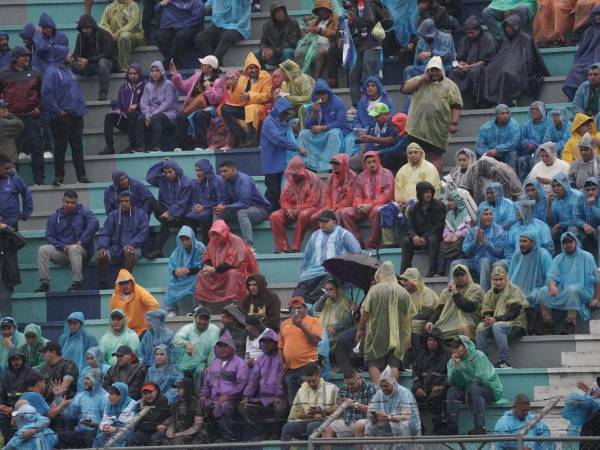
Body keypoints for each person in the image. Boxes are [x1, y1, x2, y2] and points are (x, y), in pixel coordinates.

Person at [402, 56, 463, 172]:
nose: (434, 73)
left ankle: (434, 184)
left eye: (437, 70)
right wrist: (420, 80)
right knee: (414, 155)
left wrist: (454, 122)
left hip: (438, 129)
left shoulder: (450, 85)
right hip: (416, 128)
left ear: (442, 70)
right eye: (432, 70)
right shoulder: (418, 81)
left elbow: (456, 105)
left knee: (435, 156)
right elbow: (405, 89)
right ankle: (415, 183)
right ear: (427, 70)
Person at [41, 46, 90, 186]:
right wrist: (58, 111)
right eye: (69, 54)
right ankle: (59, 176)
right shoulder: (52, 72)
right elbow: (46, 93)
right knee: (60, 147)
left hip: (76, 115)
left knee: (77, 147)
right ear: (61, 55)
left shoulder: (68, 70)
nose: (71, 56)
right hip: (61, 117)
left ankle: (81, 175)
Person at [356, 261, 411, 383]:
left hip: (377, 333)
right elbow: (408, 317)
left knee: (373, 363)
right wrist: (408, 337)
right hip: (398, 335)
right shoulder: (404, 292)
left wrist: (360, 329)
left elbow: (365, 312)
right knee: (394, 364)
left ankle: (380, 393)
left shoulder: (375, 290)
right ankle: (393, 392)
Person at [35, 191, 99, 292]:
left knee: (74, 248)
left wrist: (81, 241)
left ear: (76, 202)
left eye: (72, 203)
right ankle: (44, 283)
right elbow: (49, 236)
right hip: (63, 251)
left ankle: (77, 283)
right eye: (67, 202)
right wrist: (61, 246)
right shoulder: (54, 217)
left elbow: (94, 223)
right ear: (63, 201)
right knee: (42, 249)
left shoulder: (84, 212)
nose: (69, 205)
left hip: (82, 251)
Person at [537, 232, 600, 334]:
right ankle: (548, 323)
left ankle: (570, 322)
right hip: (563, 290)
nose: (568, 245)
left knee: (572, 289)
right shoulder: (558, 258)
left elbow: (597, 280)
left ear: (576, 242)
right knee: (542, 291)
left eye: (570, 241)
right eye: (565, 242)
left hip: (583, 291)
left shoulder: (587, 256)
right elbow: (551, 276)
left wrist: (597, 299)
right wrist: (552, 286)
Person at [294, 210, 361, 304]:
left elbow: (356, 252)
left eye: (326, 221)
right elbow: (307, 256)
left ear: (334, 221)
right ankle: (294, 304)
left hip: (334, 270)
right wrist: (303, 273)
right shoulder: (315, 235)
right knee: (303, 283)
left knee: (328, 281)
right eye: (321, 221)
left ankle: (308, 303)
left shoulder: (344, 234)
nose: (322, 224)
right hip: (314, 271)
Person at [482, 15, 550, 107]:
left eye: (509, 26)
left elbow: (530, 60)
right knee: (489, 70)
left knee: (507, 73)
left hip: (522, 70)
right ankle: (493, 102)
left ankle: (508, 101)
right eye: (506, 26)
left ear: (516, 26)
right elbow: (500, 59)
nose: (507, 29)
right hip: (509, 67)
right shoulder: (507, 41)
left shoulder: (526, 39)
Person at [0, 47, 45, 184]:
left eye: (28, 56)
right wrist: (1, 107)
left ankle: (39, 180)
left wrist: (39, 107)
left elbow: (43, 93)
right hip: (12, 120)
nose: (27, 58)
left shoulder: (35, 72)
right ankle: (13, 181)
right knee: (12, 153)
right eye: (23, 56)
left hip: (32, 117)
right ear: (15, 58)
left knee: (37, 149)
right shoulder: (3, 74)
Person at [445, 335, 504, 435]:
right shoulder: (452, 362)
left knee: (475, 388)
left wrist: (468, 391)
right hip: (470, 391)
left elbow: (481, 378)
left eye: (457, 347)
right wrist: (457, 367)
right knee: (452, 391)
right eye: (453, 347)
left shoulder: (478, 356)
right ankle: (452, 428)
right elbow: (454, 382)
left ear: (465, 346)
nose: (454, 349)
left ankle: (480, 427)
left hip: (488, 389)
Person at [195, 220, 258, 310]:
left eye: (218, 234)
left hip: (239, 270)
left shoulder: (235, 240)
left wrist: (215, 269)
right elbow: (207, 258)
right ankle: (201, 305)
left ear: (224, 232)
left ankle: (232, 302)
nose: (215, 237)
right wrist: (208, 268)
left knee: (232, 274)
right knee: (202, 274)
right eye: (213, 234)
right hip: (218, 270)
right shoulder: (212, 242)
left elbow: (235, 263)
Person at [200, 331, 249, 441]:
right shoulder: (214, 362)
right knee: (200, 404)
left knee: (224, 406)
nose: (222, 349)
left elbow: (242, 382)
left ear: (231, 347)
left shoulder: (239, 362)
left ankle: (228, 438)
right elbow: (207, 382)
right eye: (220, 346)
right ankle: (210, 438)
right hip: (213, 398)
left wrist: (229, 396)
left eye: (225, 346)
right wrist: (203, 394)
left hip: (231, 399)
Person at [475, 266, 528, 368]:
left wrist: (495, 319)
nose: (498, 282)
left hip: (516, 325)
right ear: (492, 280)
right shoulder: (490, 293)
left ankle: (505, 361)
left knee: (497, 326)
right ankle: (482, 361)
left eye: (501, 279)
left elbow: (514, 313)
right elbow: (487, 309)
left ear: (506, 279)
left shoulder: (514, 290)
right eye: (495, 280)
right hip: (499, 323)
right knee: (481, 328)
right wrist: (488, 318)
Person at [340, 152, 394, 249]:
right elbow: (357, 195)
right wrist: (359, 206)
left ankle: (372, 245)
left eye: (374, 161)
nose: (372, 164)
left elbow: (387, 194)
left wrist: (370, 205)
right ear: (365, 164)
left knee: (376, 210)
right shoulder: (360, 176)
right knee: (345, 213)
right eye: (368, 162)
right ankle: (357, 243)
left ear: (378, 161)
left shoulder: (387, 173)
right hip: (364, 206)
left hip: (382, 204)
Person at [260, 98, 306, 211]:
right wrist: (297, 147)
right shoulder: (269, 122)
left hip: (281, 163)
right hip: (271, 164)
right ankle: (268, 215)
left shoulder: (282, 122)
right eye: (285, 112)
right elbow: (279, 140)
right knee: (273, 192)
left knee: (281, 192)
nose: (286, 115)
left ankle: (276, 213)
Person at [269, 157, 324, 253]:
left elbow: (313, 200)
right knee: (274, 216)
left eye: (295, 173)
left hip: (312, 207)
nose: (293, 176)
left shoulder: (314, 178)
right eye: (291, 173)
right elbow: (284, 199)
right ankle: (283, 248)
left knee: (303, 214)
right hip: (293, 209)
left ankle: (295, 246)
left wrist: (298, 210)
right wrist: (288, 209)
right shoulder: (291, 180)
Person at [239, 329, 286, 439]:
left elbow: (281, 378)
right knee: (244, 407)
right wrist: (246, 396)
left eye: (269, 342)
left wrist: (280, 396)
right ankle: (263, 433)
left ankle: (277, 435)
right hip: (262, 398)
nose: (266, 345)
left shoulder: (282, 358)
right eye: (264, 342)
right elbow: (253, 380)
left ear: (275, 343)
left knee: (280, 408)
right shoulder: (260, 360)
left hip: (278, 397)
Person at [171, 56, 226, 150]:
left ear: (211, 67)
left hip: (210, 109)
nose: (201, 66)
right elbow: (183, 87)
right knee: (180, 117)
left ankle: (201, 145)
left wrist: (209, 89)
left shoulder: (218, 81)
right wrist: (176, 76)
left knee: (200, 116)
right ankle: (181, 146)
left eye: (204, 64)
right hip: (193, 106)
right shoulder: (196, 77)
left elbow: (216, 99)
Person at [96, 192, 149, 288]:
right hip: (115, 248)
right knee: (101, 255)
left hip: (134, 247)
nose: (124, 203)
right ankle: (103, 280)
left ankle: (125, 281)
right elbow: (106, 232)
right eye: (121, 201)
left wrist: (132, 244)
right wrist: (103, 247)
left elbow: (143, 233)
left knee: (129, 252)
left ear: (132, 202)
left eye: (126, 201)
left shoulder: (142, 215)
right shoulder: (113, 215)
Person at [215, 160, 272, 249]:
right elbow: (224, 200)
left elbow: (245, 203)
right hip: (240, 209)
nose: (222, 174)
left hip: (260, 209)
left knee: (241, 212)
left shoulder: (243, 179)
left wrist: (226, 207)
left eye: (225, 171)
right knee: (218, 213)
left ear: (233, 170)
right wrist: (221, 206)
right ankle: (217, 245)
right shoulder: (224, 181)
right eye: (221, 172)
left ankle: (249, 246)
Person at [298, 79, 350, 172]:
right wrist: (313, 113)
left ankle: (330, 166)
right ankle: (308, 166)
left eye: (323, 93)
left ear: (328, 93)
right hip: (320, 134)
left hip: (333, 133)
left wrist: (323, 128)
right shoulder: (313, 105)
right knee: (303, 134)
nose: (321, 96)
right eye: (319, 93)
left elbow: (341, 122)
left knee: (334, 133)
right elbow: (307, 126)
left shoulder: (337, 102)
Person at [221, 53, 272, 148]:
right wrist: (233, 88)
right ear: (246, 70)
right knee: (225, 109)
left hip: (260, 107)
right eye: (250, 68)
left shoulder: (265, 77)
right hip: (245, 107)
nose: (253, 70)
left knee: (251, 108)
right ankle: (239, 135)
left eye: (255, 67)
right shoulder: (242, 79)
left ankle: (252, 140)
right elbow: (236, 100)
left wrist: (250, 96)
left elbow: (267, 96)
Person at [146, 158, 192, 259]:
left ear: (176, 170)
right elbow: (149, 178)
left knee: (165, 222)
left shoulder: (186, 182)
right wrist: (161, 163)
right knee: (149, 200)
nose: (167, 175)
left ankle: (157, 250)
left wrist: (170, 212)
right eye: (165, 172)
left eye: (170, 172)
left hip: (180, 215)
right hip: (164, 213)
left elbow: (183, 204)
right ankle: (144, 226)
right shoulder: (163, 179)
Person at [279, 297, 323, 403]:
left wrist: (301, 325)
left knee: (310, 399)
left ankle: (311, 419)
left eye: (300, 308)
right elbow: (280, 346)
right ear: (290, 311)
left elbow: (315, 341)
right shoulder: (284, 323)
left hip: (308, 366)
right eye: (293, 309)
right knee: (294, 401)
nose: (297, 310)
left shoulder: (314, 321)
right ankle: (295, 419)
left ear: (305, 308)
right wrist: (283, 363)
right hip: (290, 369)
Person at [426, 264, 485, 341]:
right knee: (431, 331)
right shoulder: (447, 291)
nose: (459, 278)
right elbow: (439, 309)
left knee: (462, 328)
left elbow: (468, 307)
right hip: (448, 323)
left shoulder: (476, 289)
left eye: (462, 275)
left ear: (467, 275)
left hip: (470, 323)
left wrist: (455, 292)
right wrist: (431, 321)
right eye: (456, 275)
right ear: (453, 277)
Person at [509, 232, 553, 334]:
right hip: (519, 288)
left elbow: (551, 275)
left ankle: (534, 328)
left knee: (532, 296)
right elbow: (510, 275)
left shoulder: (543, 254)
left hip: (539, 287)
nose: (521, 244)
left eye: (524, 241)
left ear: (533, 242)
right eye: (520, 241)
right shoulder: (517, 254)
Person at [453, 207, 506, 292]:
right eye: (486, 214)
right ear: (479, 216)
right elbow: (466, 252)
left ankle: (483, 294)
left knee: (484, 261)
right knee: (455, 263)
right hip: (474, 261)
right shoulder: (472, 231)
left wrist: (484, 242)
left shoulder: (498, 230)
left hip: (492, 261)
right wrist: (476, 241)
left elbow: (499, 252)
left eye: (490, 214)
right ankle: (451, 292)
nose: (489, 216)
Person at [281, 363, 338, 441]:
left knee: (312, 426)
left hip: (326, 422)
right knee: (288, 427)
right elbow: (295, 414)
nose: (311, 384)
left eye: (313, 381)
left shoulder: (332, 388)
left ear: (319, 375)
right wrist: (306, 414)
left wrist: (322, 412)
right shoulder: (301, 390)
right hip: (306, 421)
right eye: (308, 381)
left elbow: (338, 410)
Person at [448, 16, 496, 107]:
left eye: (472, 33)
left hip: (483, 66)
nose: (470, 35)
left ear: (478, 30)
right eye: (467, 33)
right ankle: (454, 102)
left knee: (474, 72)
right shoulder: (465, 40)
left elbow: (486, 60)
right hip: (467, 66)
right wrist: (461, 63)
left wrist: (469, 66)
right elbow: (461, 56)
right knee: (454, 72)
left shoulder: (487, 39)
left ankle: (474, 102)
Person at [401, 181, 446, 277]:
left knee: (432, 239)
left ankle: (432, 271)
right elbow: (410, 226)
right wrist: (414, 236)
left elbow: (439, 225)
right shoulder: (414, 208)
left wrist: (425, 237)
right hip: (418, 238)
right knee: (406, 241)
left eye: (430, 192)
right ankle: (405, 273)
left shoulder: (439, 205)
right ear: (420, 194)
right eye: (426, 192)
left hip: (433, 236)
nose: (428, 194)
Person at [365, 365, 421, 442]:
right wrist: (374, 416)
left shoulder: (403, 393)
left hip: (405, 423)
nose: (384, 388)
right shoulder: (379, 393)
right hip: (386, 421)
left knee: (401, 426)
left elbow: (406, 416)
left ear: (393, 383)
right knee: (369, 426)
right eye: (381, 386)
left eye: (386, 386)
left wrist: (388, 417)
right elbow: (371, 410)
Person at [320, 368, 377, 443]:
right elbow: (337, 408)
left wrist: (354, 404)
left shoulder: (370, 387)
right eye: (347, 384)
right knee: (325, 429)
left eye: (352, 384)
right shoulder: (343, 388)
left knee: (359, 426)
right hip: (347, 422)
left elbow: (373, 410)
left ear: (359, 378)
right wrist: (324, 411)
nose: (349, 386)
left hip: (366, 421)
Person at [410, 328, 449, 435]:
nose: (431, 343)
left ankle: (439, 427)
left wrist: (442, 386)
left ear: (439, 342)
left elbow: (452, 374)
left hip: (440, 388)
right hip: (423, 388)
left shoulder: (447, 355)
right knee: (411, 396)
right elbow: (415, 371)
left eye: (434, 341)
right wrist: (418, 387)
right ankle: (419, 427)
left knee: (436, 398)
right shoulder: (422, 354)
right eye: (430, 340)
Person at [101, 65, 145, 155]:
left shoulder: (145, 86)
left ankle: (133, 145)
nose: (132, 75)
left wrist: (137, 106)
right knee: (109, 116)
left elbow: (147, 102)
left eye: (135, 73)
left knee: (132, 114)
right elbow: (119, 103)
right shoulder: (123, 87)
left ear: (139, 74)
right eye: (130, 73)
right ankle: (110, 147)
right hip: (125, 117)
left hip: (139, 118)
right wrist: (117, 110)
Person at [60, 368, 109, 449]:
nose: (85, 381)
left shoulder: (105, 397)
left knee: (88, 436)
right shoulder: (81, 396)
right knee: (61, 436)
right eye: (85, 378)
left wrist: (93, 424)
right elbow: (69, 415)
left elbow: (108, 421)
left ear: (96, 380)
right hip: (80, 431)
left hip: (97, 434)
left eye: (88, 379)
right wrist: (59, 398)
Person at [137, 61, 179, 152]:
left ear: (162, 72)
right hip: (151, 113)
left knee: (156, 118)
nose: (154, 73)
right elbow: (144, 103)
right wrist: (148, 114)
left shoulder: (168, 84)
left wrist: (152, 115)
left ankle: (156, 147)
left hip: (168, 113)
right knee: (141, 118)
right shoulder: (148, 86)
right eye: (152, 71)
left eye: (157, 71)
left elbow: (167, 103)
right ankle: (140, 146)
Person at [72, 15, 116, 101]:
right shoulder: (80, 37)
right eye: (84, 28)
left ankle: (103, 93)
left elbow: (108, 53)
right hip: (89, 65)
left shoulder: (104, 34)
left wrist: (88, 61)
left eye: (88, 28)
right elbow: (75, 53)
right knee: (71, 64)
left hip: (106, 63)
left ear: (93, 27)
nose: (86, 31)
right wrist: (80, 61)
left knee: (102, 63)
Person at [173, 306, 220, 386]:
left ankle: (197, 396)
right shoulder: (188, 328)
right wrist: (186, 343)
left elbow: (214, 349)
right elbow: (177, 339)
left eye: (206, 319)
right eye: (200, 318)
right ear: (195, 318)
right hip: (184, 363)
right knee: (177, 375)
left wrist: (210, 365)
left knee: (200, 372)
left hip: (202, 363)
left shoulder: (214, 330)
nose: (202, 322)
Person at [399, 268, 440, 359]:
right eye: (403, 280)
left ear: (414, 280)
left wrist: (408, 319)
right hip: (410, 321)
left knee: (413, 324)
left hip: (427, 322)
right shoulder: (404, 294)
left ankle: (416, 357)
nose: (403, 283)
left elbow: (427, 312)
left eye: (406, 280)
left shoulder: (426, 292)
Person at [294, 0, 340, 81]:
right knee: (300, 52)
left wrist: (321, 31)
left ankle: (315, 79)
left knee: (321, 51)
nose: (321, 12)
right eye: (319, 10)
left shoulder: (335, 19)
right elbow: (306, 33)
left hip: (329, 47)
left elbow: (335, 33)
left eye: (323, 10)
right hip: (314, 46)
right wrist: (307, 31)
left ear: (328, 10)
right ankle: (302, 76)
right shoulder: (316, 20)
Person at [313, 279, 354, 370]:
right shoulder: (324, 300)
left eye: (331, 289)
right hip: (324, 330)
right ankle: (322, 366)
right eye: (326, 290)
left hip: (339, 331)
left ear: (337, 289)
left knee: (337, 340)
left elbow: (347, 321)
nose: (329, 292)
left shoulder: (345, 301)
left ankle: (337, 364)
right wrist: (324, 297)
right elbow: (316, 308)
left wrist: (334, 327)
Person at [152, 378, 206, 446]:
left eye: (181, 388)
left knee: (174, 443)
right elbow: (174, 420)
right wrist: (170, 430)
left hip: (193, 434)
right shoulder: (177, 402)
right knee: (157, 438)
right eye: (178, 387)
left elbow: (196, 427)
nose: (178, 390)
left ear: (187, 388)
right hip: (178, 433)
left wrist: (179, 434)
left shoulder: (196, 403)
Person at [165, 226, 205, 316]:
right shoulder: (178, 250)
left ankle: (199, 305)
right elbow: (172, 264)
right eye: (182, 239)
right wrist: (175, 272)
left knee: (200, 277)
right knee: (171, 280)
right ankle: (172, 310)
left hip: (195, 274)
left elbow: (203, 265)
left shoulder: (200, 248)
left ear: (192, 238)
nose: (184, 242)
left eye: (187, 239)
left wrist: (188, 270)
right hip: (182, 277)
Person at [563, 5, 600, 101]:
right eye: (595, 15)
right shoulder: (588, 32)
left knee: (593, 69)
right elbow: (581, 51)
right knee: (575, 69)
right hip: (587, 58)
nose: (598, 17)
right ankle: (577, 98)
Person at [154, 0, 204, 69]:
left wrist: (180, 26)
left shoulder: (197, 2)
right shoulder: (170, 1)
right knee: (160, 36)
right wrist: (161, 4)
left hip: (192, 27)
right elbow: (157, 9)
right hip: (173, 27)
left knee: (180, 36)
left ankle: (167, 61)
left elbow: (196, 19)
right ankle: (176, 63)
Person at [185, 159, 224, 243]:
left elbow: (220, 201)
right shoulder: (198, 183)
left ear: (206, 169)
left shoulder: (218, 181)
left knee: (204, 217)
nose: (198, 173)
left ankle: (207, 246)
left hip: (214, 210)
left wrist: (205, 207)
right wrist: (196, 206)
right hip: (202, 210)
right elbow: (194, 199)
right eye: (196, 171)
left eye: (200, 170)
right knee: (188, 217)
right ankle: (192, 245)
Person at [99, 0, 143, 72]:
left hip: (133, 35)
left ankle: (124, 68)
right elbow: (103, 24)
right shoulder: (109, 7)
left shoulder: (134, 6)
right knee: (103, 34)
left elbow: (134, 24)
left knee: (124, 37)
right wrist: (111, 34)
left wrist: (119, 32)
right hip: (113, 36)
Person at [312, 154, 357, 225]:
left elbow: (349, 200)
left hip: (345, 207)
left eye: (337, 164)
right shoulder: (331, 177)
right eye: (333, 164)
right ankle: (323, 235)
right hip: (331, 206)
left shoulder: (352, 176)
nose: (334, 166)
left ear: (344, 164)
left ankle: (342, 235)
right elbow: (327, 196)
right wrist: (329, 207)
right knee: (314, 217)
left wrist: (334, 208)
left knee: (336, 215)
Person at [92, 382, 138, 447]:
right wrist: (105, 427)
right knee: (100, 438)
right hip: (112, 432)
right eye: (109, 394)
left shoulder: (131, 405)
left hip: (125, 434)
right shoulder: (109, 406)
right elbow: (105, 420)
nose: (109, 397)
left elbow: (129, 428)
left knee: (116, 441)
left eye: (112, 394)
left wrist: (115, 429)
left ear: (120, 396)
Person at [125, 382, 172, 446]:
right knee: (132, 439)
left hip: (158, 431)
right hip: (147, 431)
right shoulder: (141, 403)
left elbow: (154, 419)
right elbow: (138, 423)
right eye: (145, 393)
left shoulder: (162, 401)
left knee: (155, 438)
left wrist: (143, 410)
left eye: (150, 392)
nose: (148, 396)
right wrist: (142, 407)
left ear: (156, 391)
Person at [256, 2, 301, 67]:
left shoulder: (292, 22)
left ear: (284, 11)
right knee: (257, 54)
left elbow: (292, 43)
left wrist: (273, 51)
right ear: (272, 14)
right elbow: (263, 42)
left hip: (290, 53)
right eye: (277, 11)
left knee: (287, 52)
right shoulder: (267, 25)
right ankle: (263, 75)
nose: (280, 13)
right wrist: (265, 50)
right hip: (274, 55)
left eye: (281, 10)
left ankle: (287, 75)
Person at [438, 190, 473, 274]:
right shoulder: (449, 213)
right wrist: (448, 236)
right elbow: (446, 228)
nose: (449, 203)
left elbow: (468, 229)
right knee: (442, 245)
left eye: (452, 200)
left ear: (458, 200)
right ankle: (440, 271)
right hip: (451, 238)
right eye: (448, 200)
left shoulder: (466, 213)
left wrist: (456, 235)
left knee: (460, 245)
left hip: (461, 238)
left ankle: (457, 270)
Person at [548, 173, 584, 247]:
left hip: (578, 228)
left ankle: (577, 254)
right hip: (561, 228)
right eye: (553, 186)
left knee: (572, 230)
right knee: (546, 229)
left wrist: (560, 225)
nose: (556, 189)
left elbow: (577, 220)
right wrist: (548, 206)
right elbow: (552, 222)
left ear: (565, 184)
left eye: (559, 185)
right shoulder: (554, 199)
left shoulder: (577, 196)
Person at [518, 102, 551, 181]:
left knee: (535, 159)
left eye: (536, 109)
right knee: (521, 160)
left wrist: (536, 145)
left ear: (543, 110)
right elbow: (522, 139)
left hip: (544, 152)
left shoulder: (549, 123)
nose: (534, 111)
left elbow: (548, 140)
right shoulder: (527, 125)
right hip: (529, 152)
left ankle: (537, 183)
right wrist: (527, 144)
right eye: (532, 109)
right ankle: (524, 185)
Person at [0, 155, 32, 230]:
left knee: (12, 241)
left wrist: (26, 213)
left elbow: (27, 194)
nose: (9, 170)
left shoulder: (15, 179)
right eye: (6, 168)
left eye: (10, 168)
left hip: (11, 221)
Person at [576, 177, 600, 262]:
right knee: (572, 230)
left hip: (597, 228)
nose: (590, 192)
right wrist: (583, 225)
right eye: (587, 190)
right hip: (585, 228)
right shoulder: (581, 198)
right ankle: (579, 262)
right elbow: (576, 216)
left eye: (593, 189)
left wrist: (592, 206)